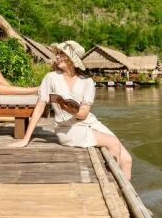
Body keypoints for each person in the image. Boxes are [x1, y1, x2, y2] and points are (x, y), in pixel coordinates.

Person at [8, 40, 133, 180]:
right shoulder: (51, 78)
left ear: (72, 59)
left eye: (62, 54)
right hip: (66, 128)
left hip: (88, 122)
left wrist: (69, 108)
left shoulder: (87, 82)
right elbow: (38, 109)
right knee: (113, 142)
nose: (58, 57)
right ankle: (112, 182)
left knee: (127, 160)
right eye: (58, 54)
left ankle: (123, 194)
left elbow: (83, 113)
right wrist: (26, 139)